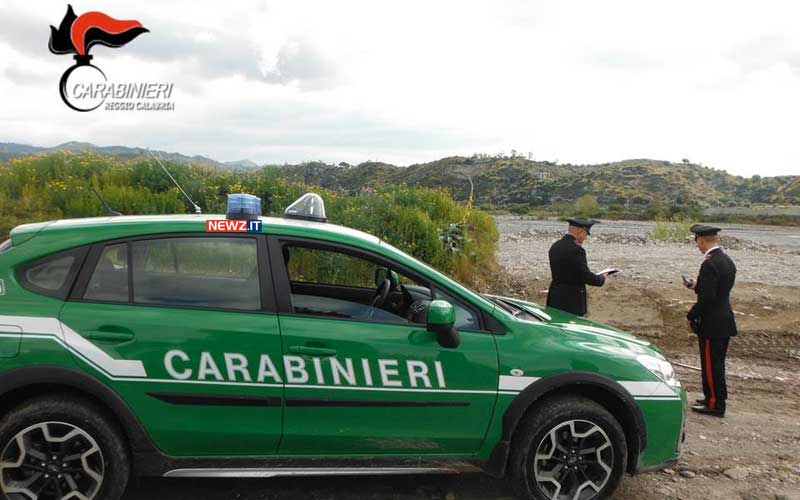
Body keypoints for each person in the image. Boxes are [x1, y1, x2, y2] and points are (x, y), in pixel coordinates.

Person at [686, 224, 737, 418]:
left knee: (711, 364)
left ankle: (715, 403)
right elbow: (717, 290)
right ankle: (712, 397)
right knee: (716, 363)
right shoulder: (726, 260)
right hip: (724, 318)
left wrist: (691, 315)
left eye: (697, 241)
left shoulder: (709, 263)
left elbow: (707, 298)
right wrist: (696, 286)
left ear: (702, 240)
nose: (697, 245)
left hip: (712, 322)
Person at [546, 218, 611, 317]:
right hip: (572, 299)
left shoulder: (555, 246)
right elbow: (586, 276)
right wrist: (601, 278)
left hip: (555, 295)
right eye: (586, 234)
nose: (585, 238)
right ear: (580, 231)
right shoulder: (577, 250)